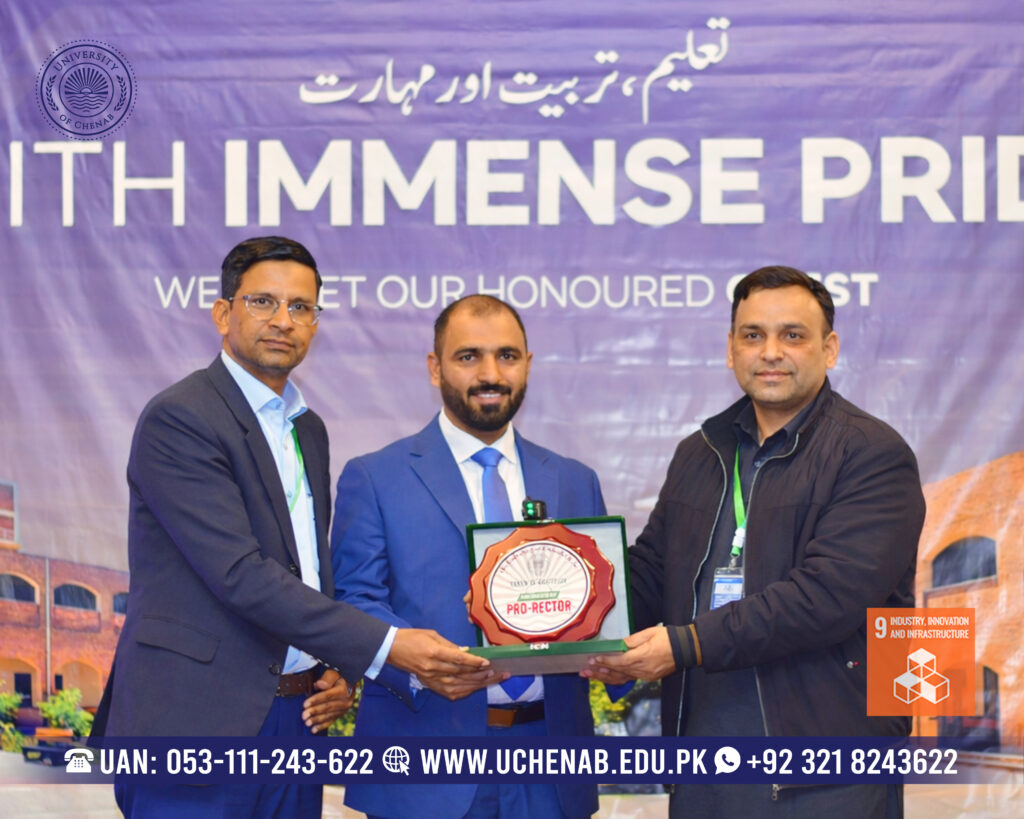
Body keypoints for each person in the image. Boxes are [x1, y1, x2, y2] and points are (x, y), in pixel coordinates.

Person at [92, 236, 491, 818]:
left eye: (301, 307)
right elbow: (241, 574)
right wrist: (385, 646)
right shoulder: (180, 418)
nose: (283, 320)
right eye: (263, 302)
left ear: (315, 324)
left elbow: (305, 569)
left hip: (298, 722)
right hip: (196, 725)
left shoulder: (308, 429)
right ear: (223, 313)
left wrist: (336, 664)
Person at [585, 266, 925, 818]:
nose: (770, 352)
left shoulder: (871, 454)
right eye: (753, 335)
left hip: (824, 776)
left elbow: (827, 598)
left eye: (792, 335)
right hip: (703, 767)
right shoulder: (699, 452)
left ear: (829, 349)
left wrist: (685, 645)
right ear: (731, 350)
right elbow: (650, 574)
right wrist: (566, 615)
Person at [332, 294, 617, 818]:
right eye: (469, 357)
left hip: (551, 768)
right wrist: (417, 665)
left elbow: (601, 603)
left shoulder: (575, 480)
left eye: (507, 356)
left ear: (528, 364)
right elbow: (353, 602)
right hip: (422, 762)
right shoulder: (374, 477)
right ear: (434, 367)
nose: (491, 374)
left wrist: (614, 656)